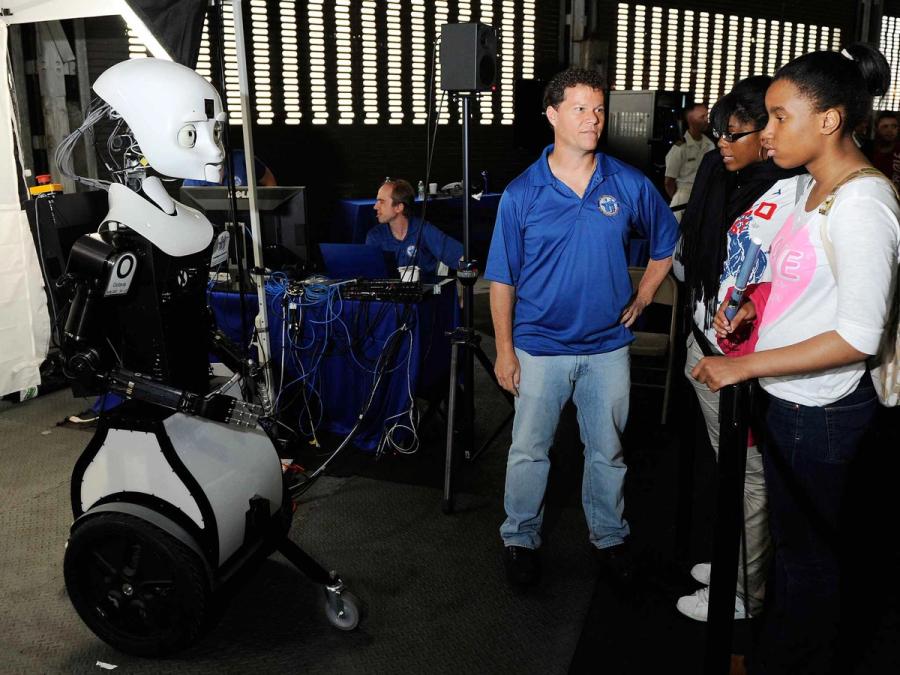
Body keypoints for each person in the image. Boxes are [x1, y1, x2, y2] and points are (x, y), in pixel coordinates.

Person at [691, 44, 900, 675]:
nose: (769, 129)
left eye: (781, 116)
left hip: (824, 411)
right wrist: (756, 310)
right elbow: (806, 286)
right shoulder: (811, 186)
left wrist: (745, 364)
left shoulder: (864, 204)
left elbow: (859, 336)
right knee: (792, 548)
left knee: (811, 562)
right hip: (791, 400)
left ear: (831, 120)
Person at [484, 68, 679, 588]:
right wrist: (505, 352)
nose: (593, 120)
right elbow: (501, 280)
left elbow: (666, 242)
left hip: (607, 349)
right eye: (579, 109)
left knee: (608, 451)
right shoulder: (522, 192)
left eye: (598, 109)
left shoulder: (627, 182)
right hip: (540, 348)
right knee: (530, 450)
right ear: (551, 115)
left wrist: (643, 295)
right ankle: (520, 538)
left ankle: (609, 538)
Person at [676, 77, 806, 623]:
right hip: (705, 340)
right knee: (728, 469)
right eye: (717, 135)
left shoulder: (796, 191)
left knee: (751, 478)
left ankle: (745, 593)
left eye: (737, 134)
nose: (723, 145)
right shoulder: (716, 174)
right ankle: (735, 562)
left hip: (748, 356)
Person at [366, 178, 463, 275]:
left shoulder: (423, 230)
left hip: (425, 288)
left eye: (381, 202)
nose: (375, 206)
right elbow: (369, 273)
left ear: (399, 207)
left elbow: (459, 256)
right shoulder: (375, 236)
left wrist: (467, 267)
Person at [665, 103, 716, 222]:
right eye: (701, 117)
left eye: (706, 117)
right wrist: (678, 197)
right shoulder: (680, 148)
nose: (706, 120)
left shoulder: (709, 144)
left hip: (703, 196)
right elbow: (669, 181)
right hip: (683, 195)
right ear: (691, 120)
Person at [183, 148, 276, 187]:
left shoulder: (242, 159)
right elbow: (189, 205)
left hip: (248, 222)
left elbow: (269, 180)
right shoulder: (194, 173)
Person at [864, 111, 900, 188]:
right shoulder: (866, 148)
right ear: (876, 129)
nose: (890, 130)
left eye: (894, 126)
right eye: (885, 126)